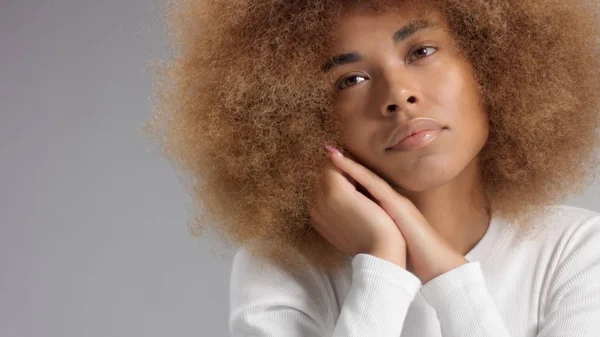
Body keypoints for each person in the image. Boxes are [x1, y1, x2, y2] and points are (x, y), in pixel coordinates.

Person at [142, 0, 600, 335]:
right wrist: (381, 261)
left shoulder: (576, 251)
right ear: (302, 116)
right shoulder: (283, 269)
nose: (398, 94)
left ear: (491, 63)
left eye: (421, 51)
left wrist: (445, 275)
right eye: (351, 79)